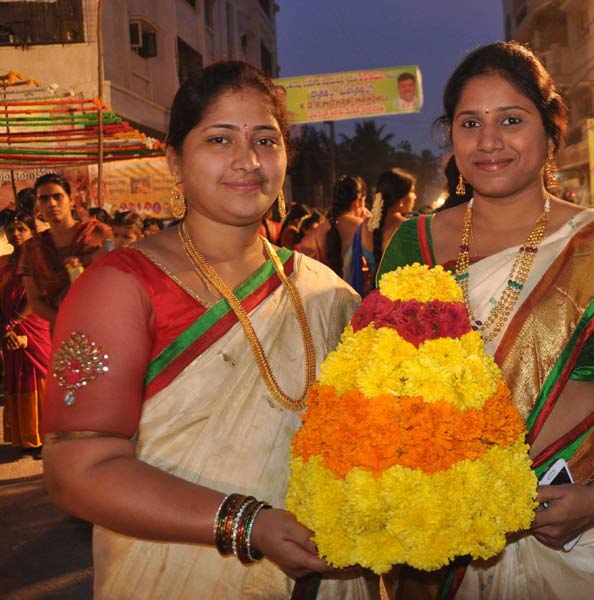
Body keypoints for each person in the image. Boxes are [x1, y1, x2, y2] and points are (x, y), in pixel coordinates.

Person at [40, 61, 376, 599]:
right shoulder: (122, 287)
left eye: (265, 140)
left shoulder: (325, 292)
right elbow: (77, 469)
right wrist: (248, 524)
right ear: (175, 159)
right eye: (220, 138)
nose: (248, 160)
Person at [377, 41, 594, 600]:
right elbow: (382, 389)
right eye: (471, 123)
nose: (489, 141)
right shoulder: (412, 241)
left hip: (578, 513)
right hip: (443, 527)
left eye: (511, 120)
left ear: (550, 132)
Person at [18, 174, 112, 328]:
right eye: (44, 199)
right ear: (37, 206)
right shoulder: (32, 247)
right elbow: (35, 301)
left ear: (71, 201)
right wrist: (66, 321)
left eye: (57, 196)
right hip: (62, 329)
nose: (52, 203)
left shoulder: (97, 233)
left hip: (105, 322)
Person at [0, 211, 50, 459]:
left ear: (33, 233)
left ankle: (46, 436)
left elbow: (37, 295)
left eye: (21, 228)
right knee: (17, 375)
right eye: (11, 229)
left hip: (35, 327)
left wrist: (15, 321)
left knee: (38, 375)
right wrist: (5, 329)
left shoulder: (40, 261)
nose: (16, 233)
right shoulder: (3, 264)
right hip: (9, 329)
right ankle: (26, 436)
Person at [302, 174, 374, 296]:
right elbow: (375, 265)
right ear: (358, 200)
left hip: (324, 300)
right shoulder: (361, 227)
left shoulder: (318, 230)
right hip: (355, 300)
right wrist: (371, 222)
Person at [366, 168, 415, 268]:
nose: (415, 196)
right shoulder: (411, 228)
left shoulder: (364, 227)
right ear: (401, 199)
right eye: (412, 191)